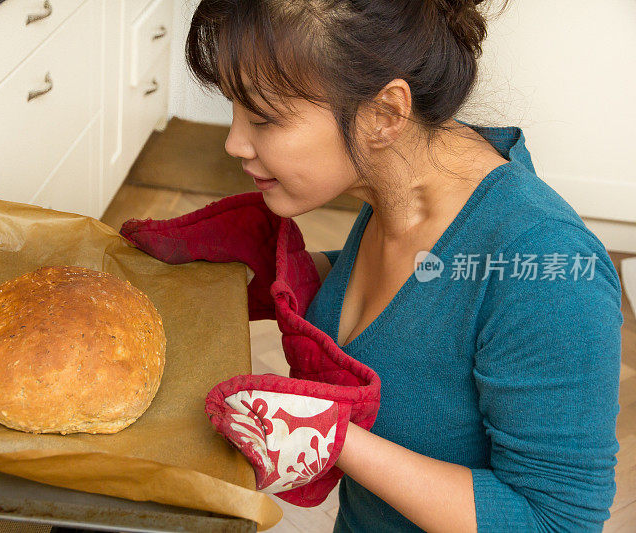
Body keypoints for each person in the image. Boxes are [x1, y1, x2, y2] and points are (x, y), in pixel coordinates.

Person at [120, 1, 624, 531]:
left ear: (384, 114)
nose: (233, 143)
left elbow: (555, 521)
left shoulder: (555, 273)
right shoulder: (409, 175)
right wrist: (281, 274)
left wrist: (337, 439)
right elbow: (433, 296)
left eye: (263, 119)